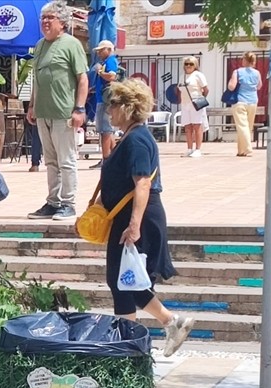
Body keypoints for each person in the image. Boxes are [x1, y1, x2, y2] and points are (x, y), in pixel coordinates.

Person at [96, 79, 195, 357]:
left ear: (128, 108)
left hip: (139, 217)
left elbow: (142, 183)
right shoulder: (129, 136)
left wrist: (134, 225)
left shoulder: (138, 139)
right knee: (127, 280)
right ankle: (169, 324)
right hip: (129, 216)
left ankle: (131, 344)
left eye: (113, 105)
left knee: (122, 281)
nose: (109, 111)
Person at [26, 1, 88, 221]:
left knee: (67, 160)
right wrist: (32, 105)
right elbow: (36, 79)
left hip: (64, 113)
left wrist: (79, 109)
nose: (44, 21)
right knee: (50, 161)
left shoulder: (71, 45)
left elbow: (82, 78)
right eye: (43, 18)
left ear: (62, 22)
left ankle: (68, 203)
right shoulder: (40, 45)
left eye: (49, 17)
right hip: (43, 113)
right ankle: (53, 202)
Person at [90, 40, 120, 168]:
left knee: (105, 131)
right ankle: (114, 158)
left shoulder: (111, 61)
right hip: (101, 98)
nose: (99, 53)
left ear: (108, 49)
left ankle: (106, 160)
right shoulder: (106, 62)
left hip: (105, 100)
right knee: (107, 130)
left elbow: (112, 77)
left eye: (101, 50)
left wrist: (100, 72)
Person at [228, 51, 263, 157]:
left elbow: (231, 87)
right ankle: (241, 151)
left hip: (240, 101)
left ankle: (247, 148)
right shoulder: (257, 73)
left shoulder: (237, 71)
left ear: (245, 60)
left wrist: (230, 82)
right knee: (248, 127)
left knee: (242, 126)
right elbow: (259, 86)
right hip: (253, 102)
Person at [180, 57, 209, 158]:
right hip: (185, 104)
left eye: (191, 64)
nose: (188, 66)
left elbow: (206, 89)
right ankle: (189, 148)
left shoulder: (198, 75)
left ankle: (198, 149)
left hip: (196, 103)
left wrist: (201, 99)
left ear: (195, 65)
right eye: (186, 64)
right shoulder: (182, 76)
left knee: (197, 126)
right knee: (187, 127)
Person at [19, 67, 43, 171]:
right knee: (38, 136)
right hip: (48, 108)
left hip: (40, 107)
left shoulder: (39, 70)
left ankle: (35, 164)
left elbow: (34, 91)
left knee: (36, 136)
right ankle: (35, 163)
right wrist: (31, 106)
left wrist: (31, 106)